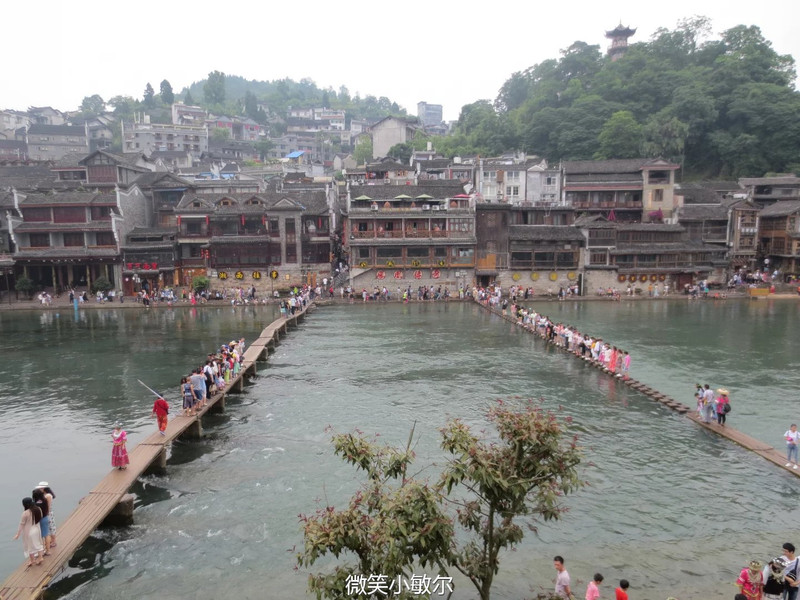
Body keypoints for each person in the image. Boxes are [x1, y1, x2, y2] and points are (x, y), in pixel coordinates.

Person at [13, 497, 44, 567]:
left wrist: (18, 534)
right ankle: (40, 557)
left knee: (29, 546)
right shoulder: (38, 509)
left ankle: (32, 560)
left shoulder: (25, 513)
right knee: (38, 544)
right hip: (37, 529)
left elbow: (21, 524)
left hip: (29, 531)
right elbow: (41, 517)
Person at [35, 482, 56, 548]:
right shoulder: (44, 495)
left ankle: (53, 541)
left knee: (51, 527)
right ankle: (50, 541)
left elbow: (48, 506)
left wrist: (46, 513)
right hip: (45, 513)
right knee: (48, 527)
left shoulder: (48, 495)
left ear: (43, 488)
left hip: (48, 513)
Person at [31, 488, 51, 556]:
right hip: (45, 518)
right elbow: (48, 509)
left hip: (39, 520)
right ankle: (48, 551)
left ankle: (41, 552)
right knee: (46, 534)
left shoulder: (35, 503)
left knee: (40, 536)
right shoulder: (45, 500)